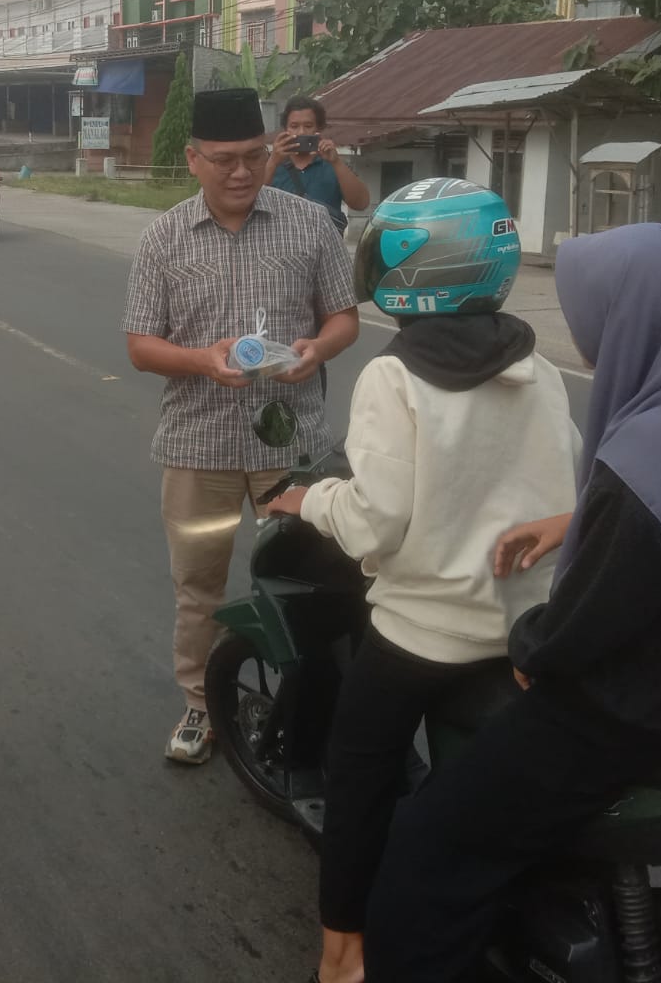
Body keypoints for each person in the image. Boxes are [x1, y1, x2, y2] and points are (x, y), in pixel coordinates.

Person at [361, 222, 661, 981]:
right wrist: (577, 518)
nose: (581, 339)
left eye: (590, 317)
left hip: (641, 713)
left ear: (635, 318)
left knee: (429, 846)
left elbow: (585, 625)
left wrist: (529, 644)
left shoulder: (653, 455)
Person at [262, 180, 579, 983]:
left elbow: (377, 524)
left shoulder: (394, 377)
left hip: (428, 633)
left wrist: (314, 497)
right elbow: (565, 483)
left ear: (411, 270)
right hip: (526, 621)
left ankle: (341, 953)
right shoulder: (535, 366)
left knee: (358, 768)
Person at [123, 87, 359, 765]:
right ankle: (201, 704)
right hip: (200, 450)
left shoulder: (309, 224)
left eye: (255, 157)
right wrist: (201, 358)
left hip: (294, 450)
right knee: (199, 585)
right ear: (193, 160)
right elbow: (141, 345)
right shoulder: (163, 237)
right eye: (223, 160)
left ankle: (310, 709)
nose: (240, 173)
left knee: (312, 583)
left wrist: (317, 348)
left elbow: (342, 316)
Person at [264, 95, 370, 235]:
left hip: (325, 252)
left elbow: (361, 203)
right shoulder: (273, 165)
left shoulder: (332, 164)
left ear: (318, 129)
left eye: (308, 126)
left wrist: (336, 162)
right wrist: (273, 161)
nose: (301, 132)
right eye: (294, 126)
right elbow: (250, 203)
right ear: (286, 130)